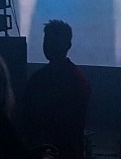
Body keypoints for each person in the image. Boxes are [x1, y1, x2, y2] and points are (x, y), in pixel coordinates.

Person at [24, 19, 91, 159]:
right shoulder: (78, 78)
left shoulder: (38, 78)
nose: (48, 45)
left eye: (53, 41)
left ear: (68, 45)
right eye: (47, 40)